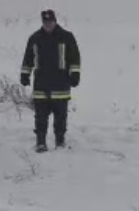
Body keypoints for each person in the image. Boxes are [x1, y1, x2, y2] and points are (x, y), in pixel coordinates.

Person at [20, 9, 81, 152]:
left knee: (61, 117)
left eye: (50, 21)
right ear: (43, 22)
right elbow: (28, 59)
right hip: (41, 85)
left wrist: (75, 74)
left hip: (61, 85)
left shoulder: (66, 37)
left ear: (55, 21)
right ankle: (41, 142)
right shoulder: (35, 38)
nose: (48, 24)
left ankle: (60, 142)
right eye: (45, 22)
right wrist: (25, 74)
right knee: (40, 118)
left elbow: (74, 58)